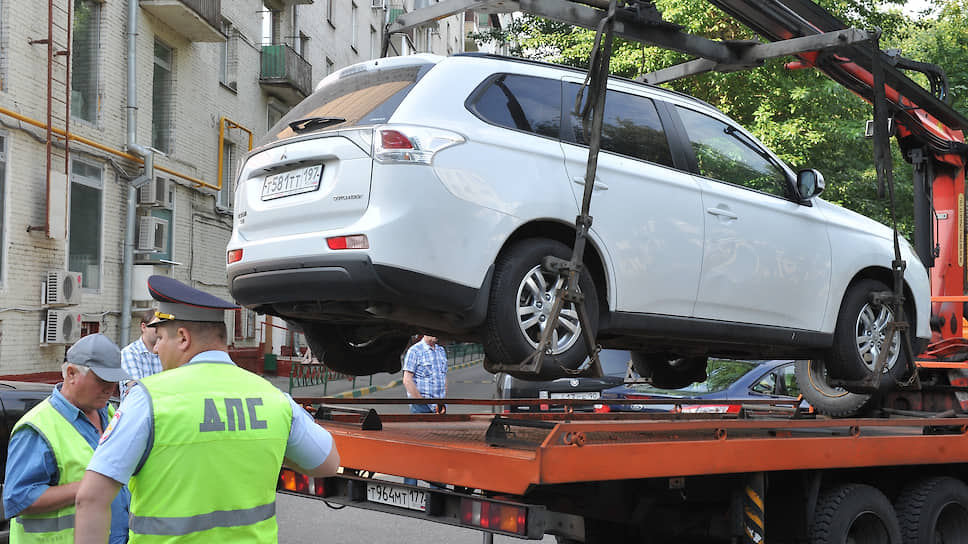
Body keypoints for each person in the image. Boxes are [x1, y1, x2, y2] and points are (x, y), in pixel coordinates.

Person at [74, 275, 340, 543]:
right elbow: (328, 463)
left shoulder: (149, 398)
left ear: (182, 337)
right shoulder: (273, 397)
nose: (155, 350)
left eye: (160, 339)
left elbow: (90, 499)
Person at [3, 333, 131, 544]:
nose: (110, 388)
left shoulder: (108, 413)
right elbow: (17, 499)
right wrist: (89, 487)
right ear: (71, 373)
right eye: (102, 380)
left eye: (114, 380)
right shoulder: (38, 427)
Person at [119, 308, 162, 398]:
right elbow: (137, 391)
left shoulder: (167, 352)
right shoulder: (130, 353)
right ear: (143, 327)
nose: (160, 330)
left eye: (162, 326)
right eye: (156, 325)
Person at [402, 334, 449, 415]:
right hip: (422, 407)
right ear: (425, 332)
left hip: (440, 405)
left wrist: (443, 398)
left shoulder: (441, 351)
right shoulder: (414, 351)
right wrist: (420, 401)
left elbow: (444, 376)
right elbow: (407, 379)